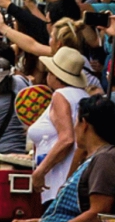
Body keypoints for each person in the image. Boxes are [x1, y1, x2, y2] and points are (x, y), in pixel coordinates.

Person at [4, 95, 115, 222]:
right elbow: (70, 214)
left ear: (85, 123)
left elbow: (97, 214)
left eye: (76, 122)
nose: (75, 127)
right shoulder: (92, 158)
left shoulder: (108, 159)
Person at [25, 47, 89, 201]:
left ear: (54, 75)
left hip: (58, 180)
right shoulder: (84, 96)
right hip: (73, 179)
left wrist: (40, 171)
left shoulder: (60, 95)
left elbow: (66, 138)